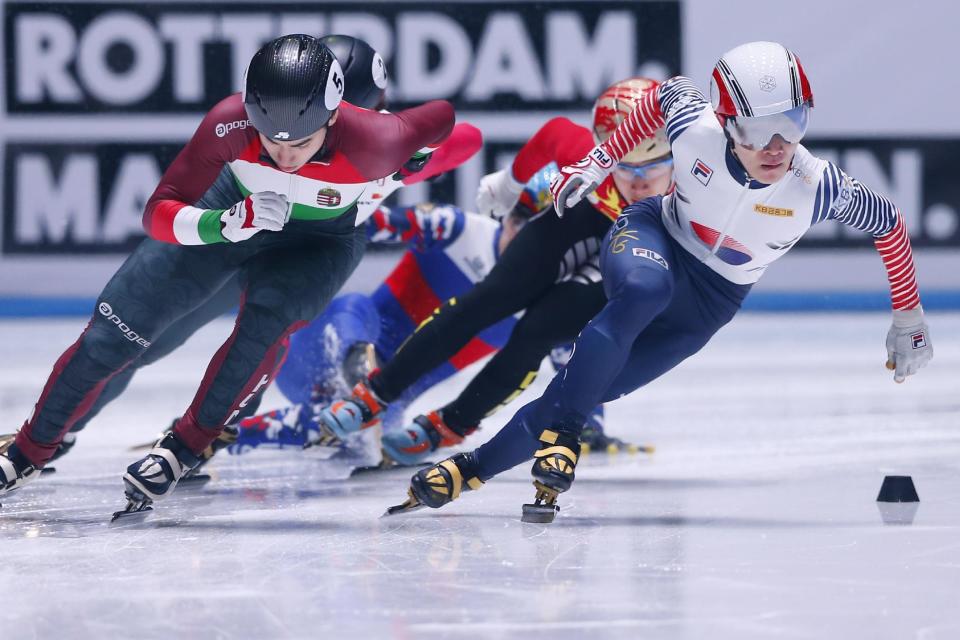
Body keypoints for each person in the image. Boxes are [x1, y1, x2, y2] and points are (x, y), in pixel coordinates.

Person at [383, 41, 934, 522]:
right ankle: (569, 433)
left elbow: (889, 223)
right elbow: (661, 96)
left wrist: (908, 316)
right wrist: (599, 163)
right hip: (655, 234)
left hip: (712, 299)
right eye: (758, 129)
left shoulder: (817, 186)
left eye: (793, 125)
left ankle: (469, 468)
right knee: (645, 291)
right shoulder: (694, 126)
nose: (777, 148)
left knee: (591, 385)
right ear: (725, 120)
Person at [0, 34, 456, 514]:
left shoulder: (382, 139)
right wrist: (225, 222)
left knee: (261, 330)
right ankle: (28, 449)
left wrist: (420, 157)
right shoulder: (229, 122)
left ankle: (188, 442)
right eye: (267, 137)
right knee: (118, 333)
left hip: (317, 244)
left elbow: (446, 120)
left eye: (301, 143)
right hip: (234, 213)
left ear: (339, 114)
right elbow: (158, 212)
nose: (284, 156)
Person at [312, 77, 674, 464]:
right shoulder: (585, 152)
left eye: (652, 167)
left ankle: (452, 423)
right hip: (589, 218)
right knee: (486, 300)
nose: (638, 183)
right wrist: (510, 187)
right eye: (624, 167)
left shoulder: (697, 187)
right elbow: (553, 135)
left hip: (641, 248)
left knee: (538, 332)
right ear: (606, 153)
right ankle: (376, 392)